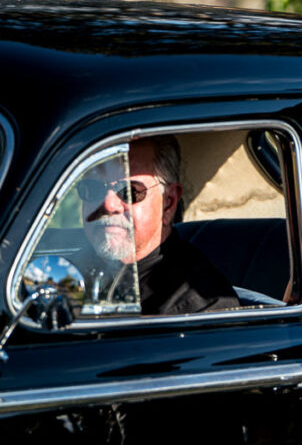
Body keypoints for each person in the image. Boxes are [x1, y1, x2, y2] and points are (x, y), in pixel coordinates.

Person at [78, 134, 239, 315]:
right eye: (92, 189)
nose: (108, 204)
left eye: (130, 191)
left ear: (168, 203)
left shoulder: (199, 307)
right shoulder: (68, 269)